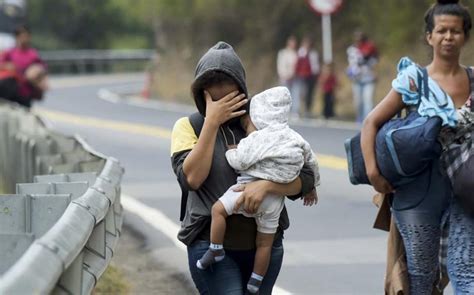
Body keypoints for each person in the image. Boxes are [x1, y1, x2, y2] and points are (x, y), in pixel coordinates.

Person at [170, 41, 316, 294]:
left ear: (242, 90)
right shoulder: (188, 126)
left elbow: (305, 178)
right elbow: (192, 179)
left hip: (265, 244)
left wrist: (267, 186)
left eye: (229, 96)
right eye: (213, 98)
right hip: (210, 245)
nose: (222, 104)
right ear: (201, 95)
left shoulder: (261, 122)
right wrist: (211, 123)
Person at [360, 1, 474, 293]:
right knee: (421, 279)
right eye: (442, 30)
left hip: (467, 190)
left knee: (466, 273)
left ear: (465, 36)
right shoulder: (414, 80)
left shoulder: (473, 79)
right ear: (430, 36)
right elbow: (371, 122)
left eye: (456, 31)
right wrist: (374, 174)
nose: (449, 37)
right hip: (418, 192)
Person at [196, 86, 320, 294]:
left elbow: (240, 162)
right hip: (274, 202)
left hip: (244, 192)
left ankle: (215, 248)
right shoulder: (295, 138)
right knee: (264, 244)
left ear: (256, 118)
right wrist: (312, 187)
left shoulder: (255, 139)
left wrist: (231, 152)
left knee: (218, 210)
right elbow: (312, 163)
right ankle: (256, 280)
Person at [0, 25, 47, 107]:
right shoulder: (10, 52)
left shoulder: (33, 54)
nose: (24, 39)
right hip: (10, 92)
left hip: (26, 92)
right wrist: (7, 66)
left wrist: (37, 73)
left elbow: (42, 68)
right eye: (21, 36)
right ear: (17, 38)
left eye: (26, 36)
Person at [346, 30, 378, 123]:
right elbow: (351, 64)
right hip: (356, 78)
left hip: (368, 78)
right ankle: (359, 118)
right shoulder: (351, 50)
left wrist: (376, 73)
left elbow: (376, 61)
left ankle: (367, 120)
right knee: (358, 101)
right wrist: (349, 72)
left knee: (368, 100)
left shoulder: (370, 47)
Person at [293, 37, 320, 118]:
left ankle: (307, 110)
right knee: (302, 93)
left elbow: (315, 65)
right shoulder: (300, 53)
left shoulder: (313, 53)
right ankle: (298, 110)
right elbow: (297, 65)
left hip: (311, 76)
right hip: (302, 76)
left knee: (310, 94)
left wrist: (316, 74)